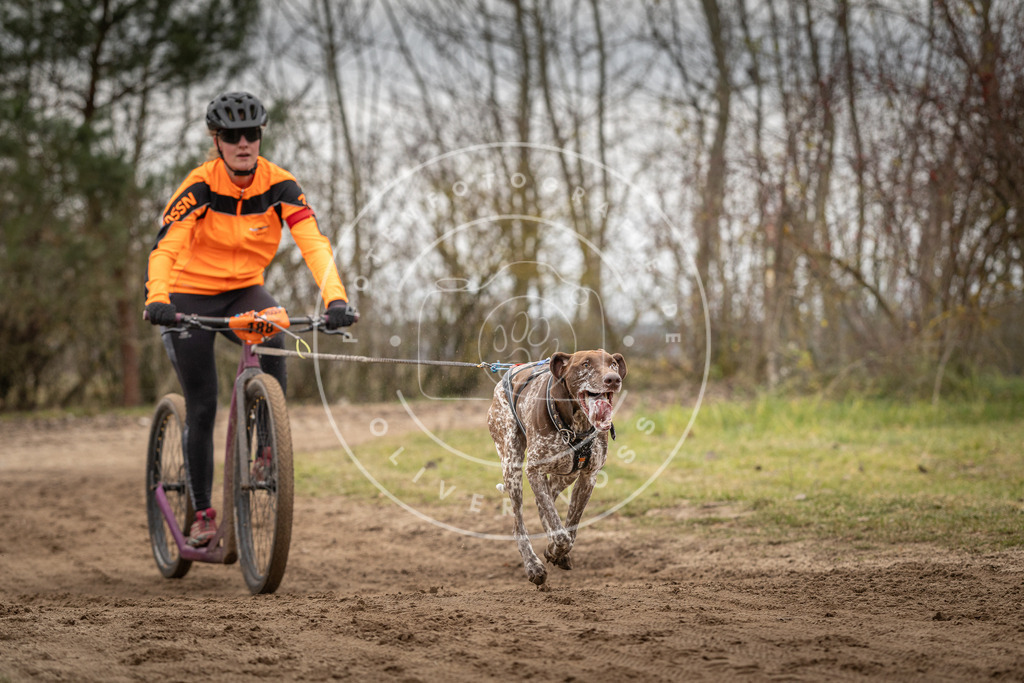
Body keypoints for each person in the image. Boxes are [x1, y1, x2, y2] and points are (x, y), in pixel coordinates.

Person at [143, 91, 357, 547]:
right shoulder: (199, 186)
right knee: (202, 405)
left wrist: (335, 300)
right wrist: (157, 298)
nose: (244, 143)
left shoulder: (280, 185)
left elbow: (314, 243)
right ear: (217, 141)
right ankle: (202, 513)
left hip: (243, 289)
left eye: (252, 134)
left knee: (276, 323)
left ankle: (265, 447)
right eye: (233, 136)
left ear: (261, 136)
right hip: (189, 293)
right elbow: (165, 248)